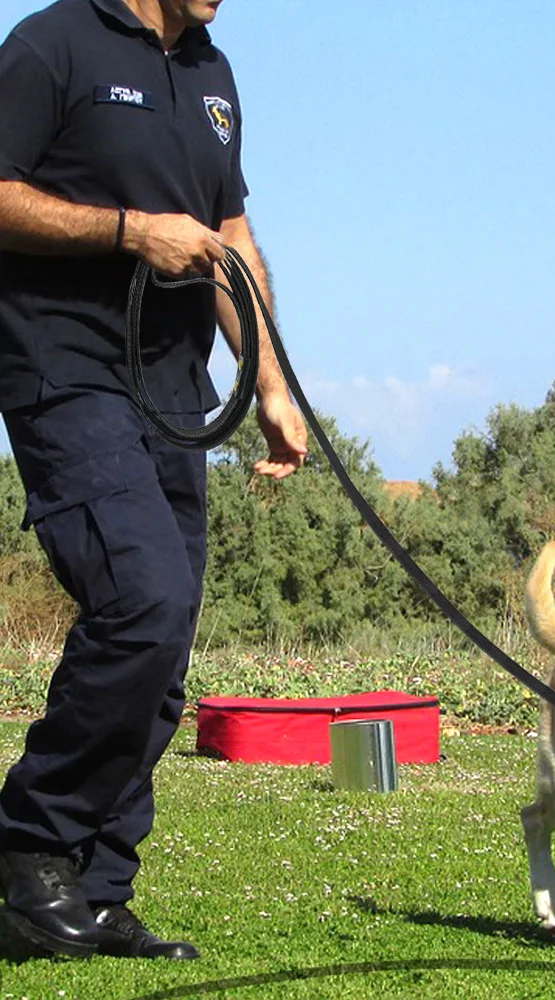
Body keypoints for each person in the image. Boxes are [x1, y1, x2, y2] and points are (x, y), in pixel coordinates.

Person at [0, 0, 308, 960]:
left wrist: (272, 381)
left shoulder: (213, 73)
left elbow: (230, 237)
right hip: (65, 370)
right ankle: (27, 852)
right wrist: (131, 231)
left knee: (164, 642)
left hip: (173, 390)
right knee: (143, 598)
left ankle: (95, 889)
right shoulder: (52, 44)